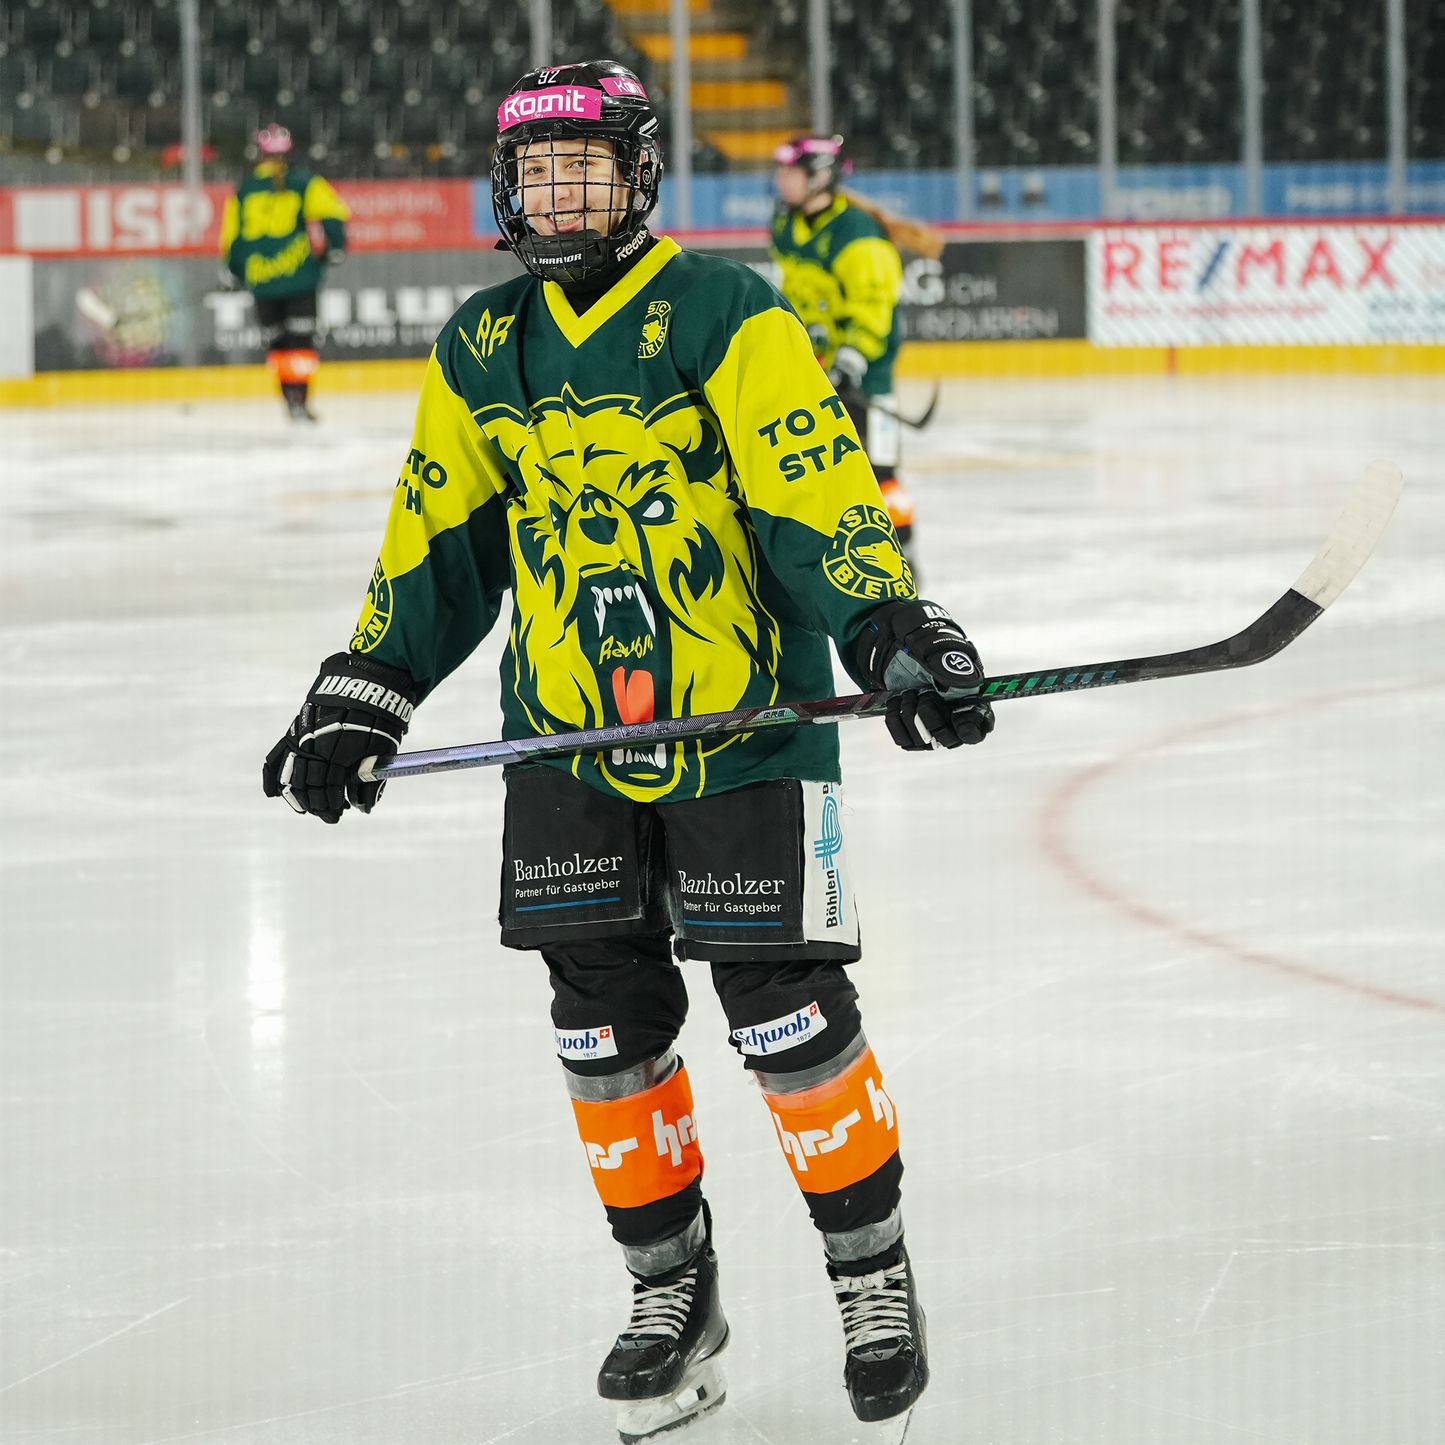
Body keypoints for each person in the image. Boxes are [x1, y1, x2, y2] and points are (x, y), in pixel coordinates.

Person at [262, 61, 993, 1444]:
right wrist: (369, 683)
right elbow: (439, 547)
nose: (559, 195)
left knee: (788, 1022)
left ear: (640, 176)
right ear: (506, 184)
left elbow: (810, 497)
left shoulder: (730, 313)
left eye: (586, 169)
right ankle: (673, 1292)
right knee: (600, 1031)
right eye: (537, 173)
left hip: (743, 740)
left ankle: (870, 1280)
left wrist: (886, 624)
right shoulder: (481, 346)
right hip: (568, 741)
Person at [770, 136, 918, 570]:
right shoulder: (785, 225)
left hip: (865, 377)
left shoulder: (857, 231)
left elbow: (873, 304)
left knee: (880, 472)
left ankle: (903, 551)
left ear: (819, 178)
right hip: (817, 373)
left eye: (791, 173)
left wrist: (850, 360)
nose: (781, 181)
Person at [218, 124, 350, 421]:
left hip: (262, 280)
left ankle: (290, 398)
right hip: (300, 276)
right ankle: (299, 399)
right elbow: (335, 213)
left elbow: (232, 236)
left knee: (277, 344)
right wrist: (335, 246)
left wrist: (233, 270)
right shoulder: (305, 182)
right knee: (300, 343)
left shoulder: (244, 189)